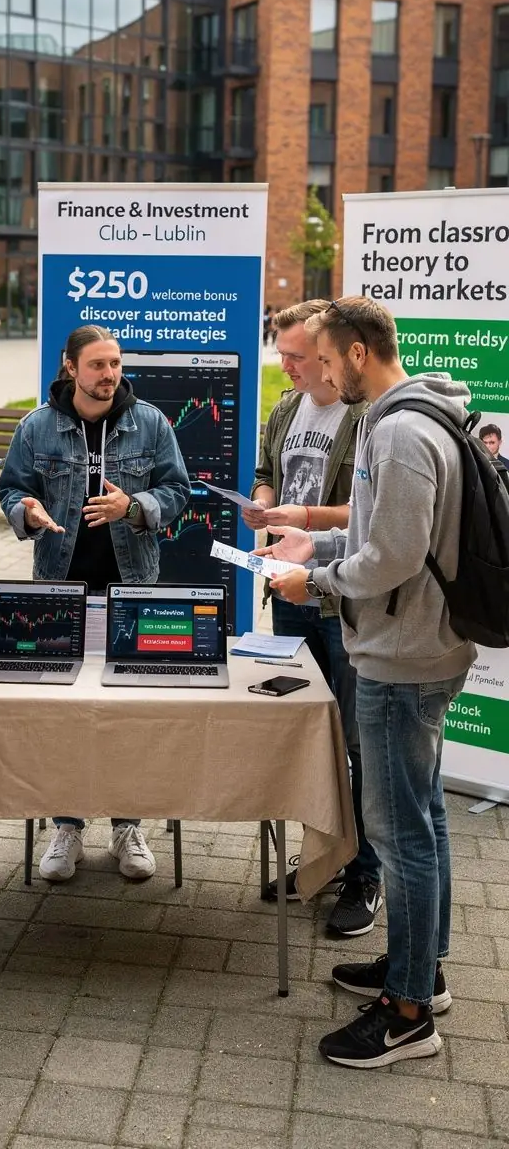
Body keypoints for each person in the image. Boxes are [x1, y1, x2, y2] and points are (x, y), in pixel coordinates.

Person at [264, 297, 475, 1069]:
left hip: (398, 654)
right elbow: (381, 533)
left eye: (321, 361)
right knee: (424, 820)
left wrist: (311, 580)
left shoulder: (398, 432)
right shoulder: (430, 416)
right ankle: (422, 972)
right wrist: (316, 537)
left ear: (356, 354)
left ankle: (408, 1015)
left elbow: (390, 559)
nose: (315, 375)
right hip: (420, 645)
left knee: (401, 835)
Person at [0, 324, 190, 883]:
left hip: (133, 590)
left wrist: (135, 506)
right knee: (63, 717)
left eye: (115, 363)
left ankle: (128, 824)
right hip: (60, 591)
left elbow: (178, 492)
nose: (110, 375)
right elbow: (11, 488)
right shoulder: (38, 426)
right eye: (99, 365)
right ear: (70, 367)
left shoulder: (149, 422)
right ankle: (67, 825)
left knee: (130, 714)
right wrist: (26, 512)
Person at [243, 299, 380, 935]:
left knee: (357, 744)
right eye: (285, 353)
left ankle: (365, 874)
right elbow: (269, 472)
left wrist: (302, 519)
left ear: (331, 355)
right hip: (292, 592)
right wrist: (264, 504)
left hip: (341, 598)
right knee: (306, 731)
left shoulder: (370, 417)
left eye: (299, 355)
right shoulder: (283, 408)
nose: (288, 365)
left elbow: (369, 514)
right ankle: (321, 860)